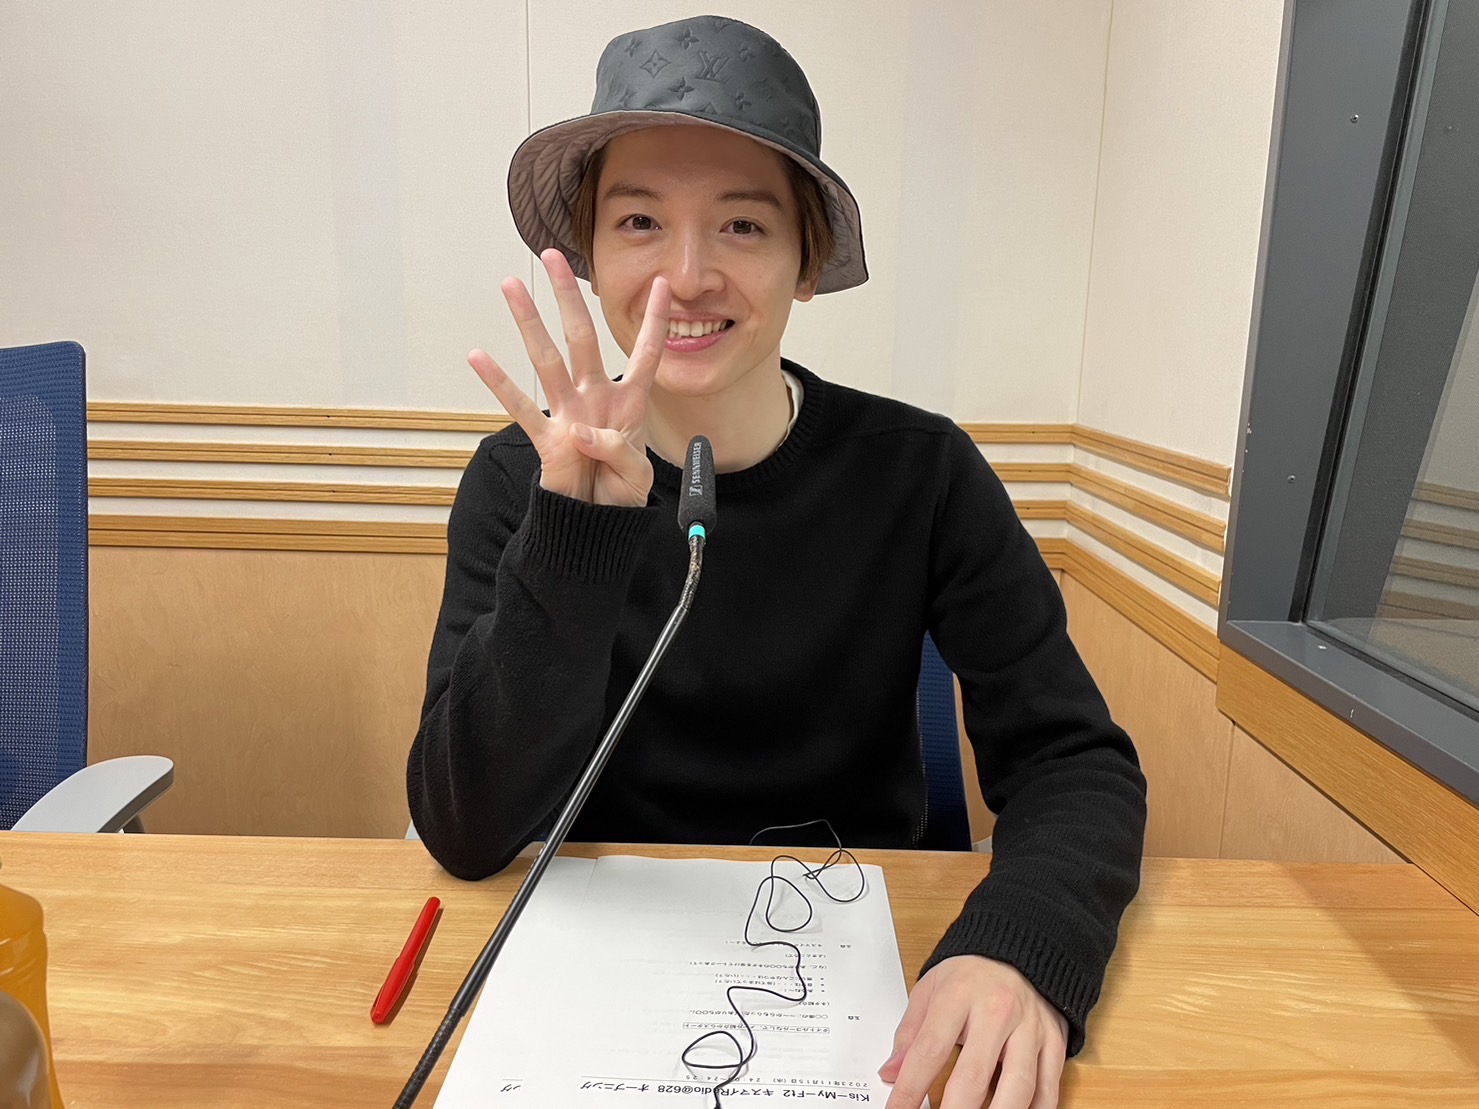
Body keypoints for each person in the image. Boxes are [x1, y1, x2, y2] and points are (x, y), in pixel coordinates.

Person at [408, 15, 1147, 1109]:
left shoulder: (921, 470)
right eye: (640, 221)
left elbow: (1075, 759)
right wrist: (572, 535)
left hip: (853, 986)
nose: (687, 276)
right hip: (588, 983)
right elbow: (464, 830)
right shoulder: (519, 480)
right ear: (592, 257)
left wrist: (1020, 941)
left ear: (806, 263)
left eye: (743, 225)